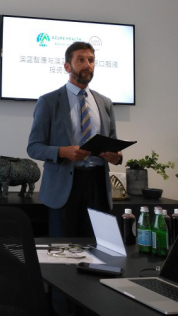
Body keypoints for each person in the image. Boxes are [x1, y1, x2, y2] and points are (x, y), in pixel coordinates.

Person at [27, 41, 122, 237]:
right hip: (63, 187)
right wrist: (62, 152)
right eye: (81, 60)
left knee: (97, 246)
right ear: (67, 66)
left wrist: (116, 156)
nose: (87, 65)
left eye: (91, 60)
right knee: (63, 247)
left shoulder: (105, 103)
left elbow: (113, 142)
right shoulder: (49, 101)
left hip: (98, 185)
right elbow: (34, 147)